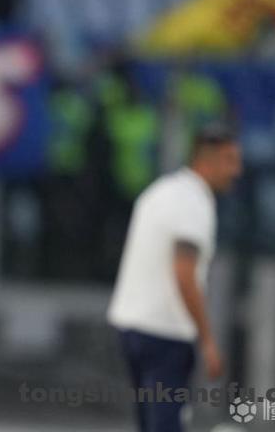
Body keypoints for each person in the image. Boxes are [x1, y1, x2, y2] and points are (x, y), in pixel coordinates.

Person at [107, 126, 242, 432]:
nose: (236, 171)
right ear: (207, 160)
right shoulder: (193, 204)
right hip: (165, 332)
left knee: (149, 422)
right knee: (166, 424)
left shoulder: (159, 191)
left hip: (131, 325)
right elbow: (184, 273)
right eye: (230, 161)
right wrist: (207, 339)